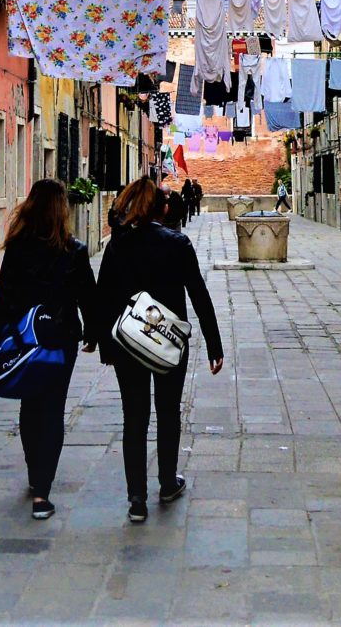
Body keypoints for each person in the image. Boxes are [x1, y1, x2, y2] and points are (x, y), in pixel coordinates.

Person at [91, 177, 224, 524]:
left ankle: (136, 499)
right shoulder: (177, 244)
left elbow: (103, 297)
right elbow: (199, 295)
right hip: (168, 343)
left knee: (134, 418)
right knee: (168, 412)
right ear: (161, 209)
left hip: (129, 344)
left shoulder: (118, 245)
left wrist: (103, 344)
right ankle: (167, 483)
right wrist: (214, 344)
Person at [0, 179, 97, 521]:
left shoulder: (18, 248)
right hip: (60, 341)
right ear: (62, 211)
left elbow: (3, 298)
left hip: (24, 340)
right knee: (52, 409)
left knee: (31, 405)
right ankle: (41, 493)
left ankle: (36, 477)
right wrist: (93, 335)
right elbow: (89, 299)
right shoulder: (74, 251)